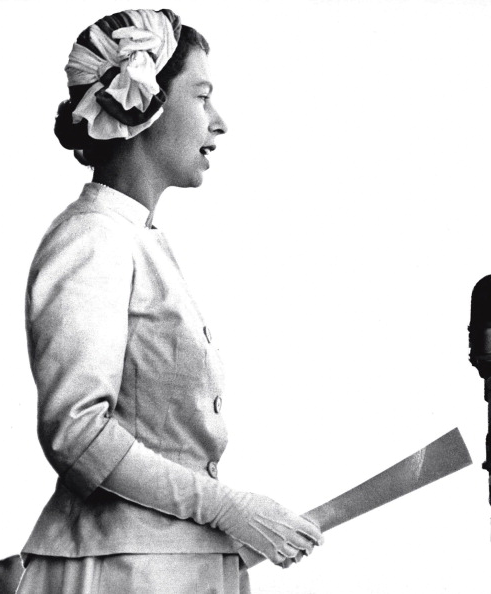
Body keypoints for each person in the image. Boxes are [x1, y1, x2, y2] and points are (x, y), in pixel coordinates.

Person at [16, 8, 322, 593]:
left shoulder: (137, 238)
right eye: (202, 96)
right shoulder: (92, 238)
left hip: (172, 568)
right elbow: (76, 432)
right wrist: (224, 507)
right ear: (147, 107)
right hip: (118, 575)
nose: (220, 121)